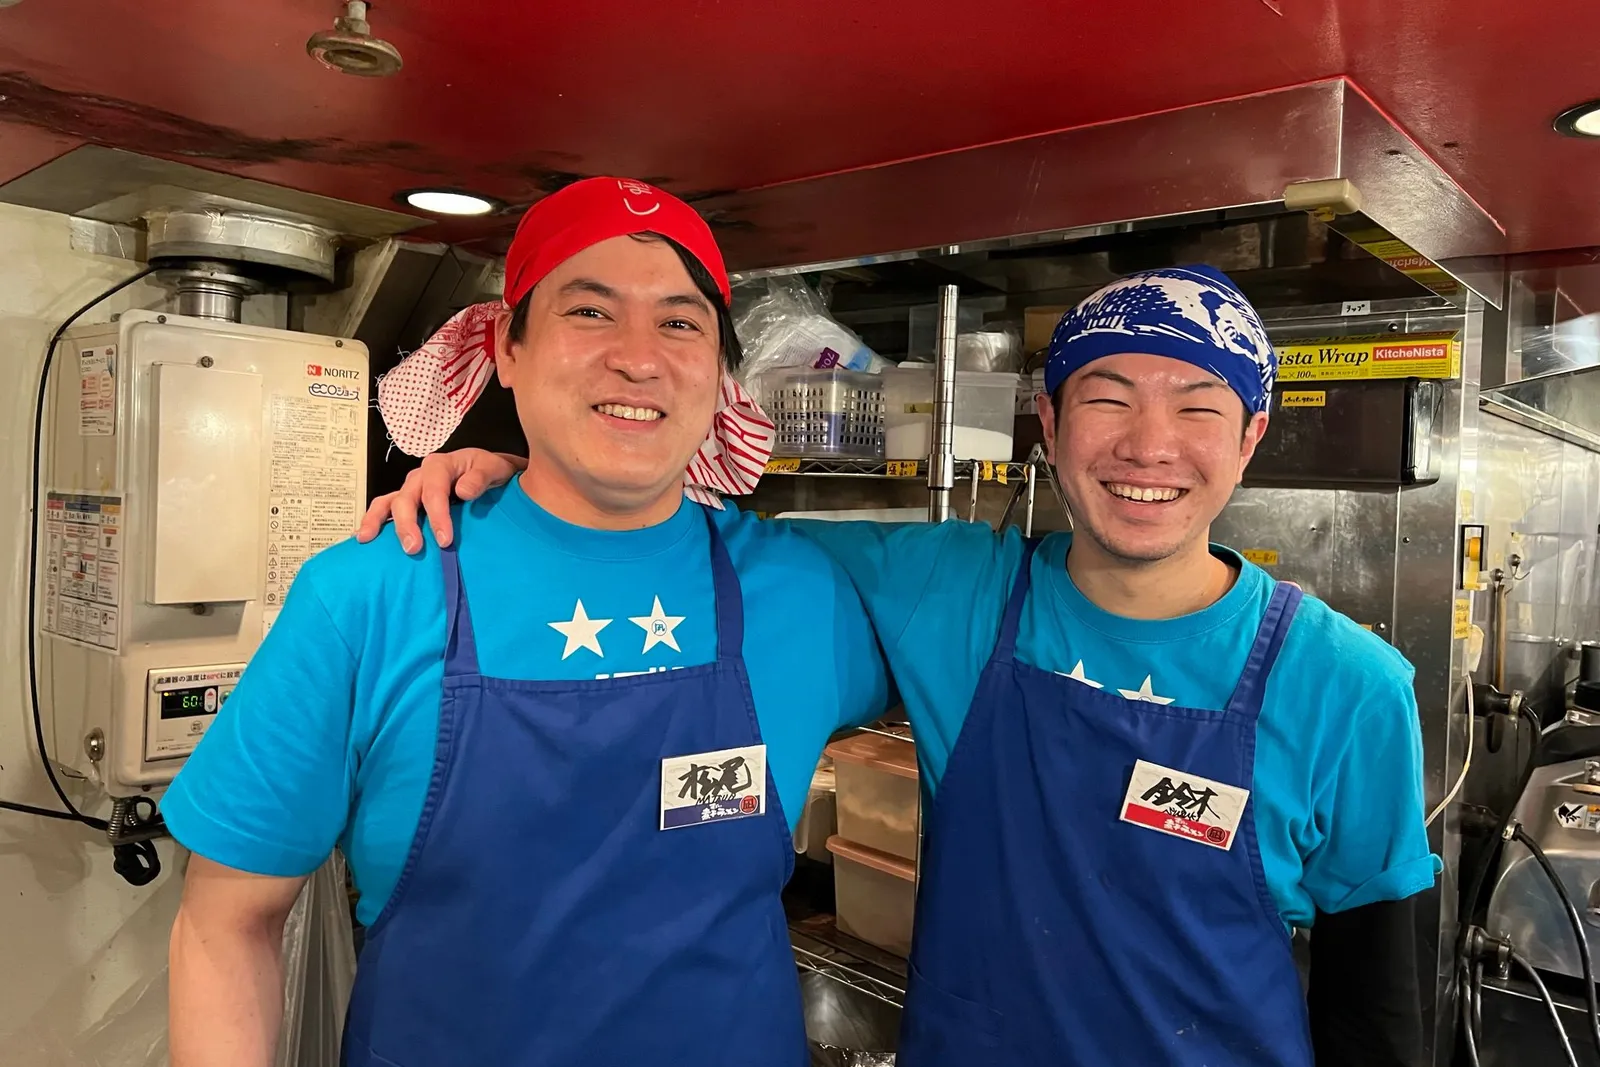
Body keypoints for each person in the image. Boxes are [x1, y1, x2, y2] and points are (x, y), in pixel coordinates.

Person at [369, 264, 1440, 1066]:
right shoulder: (951, 593)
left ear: (1249, 433)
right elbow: (688, 542)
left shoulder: (1348, 686)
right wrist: (535, 485)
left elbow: (1376, 1014)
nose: (1149, 444)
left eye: (1198, 404)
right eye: (1108, 397)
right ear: (1049, 423)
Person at [162, 177, 889, 1067]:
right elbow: (225, 923)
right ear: (506, 347)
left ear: (718, 371)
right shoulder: (370, 593)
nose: (638, 357)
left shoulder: (804, 589)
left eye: (680, 321)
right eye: (589, 311)